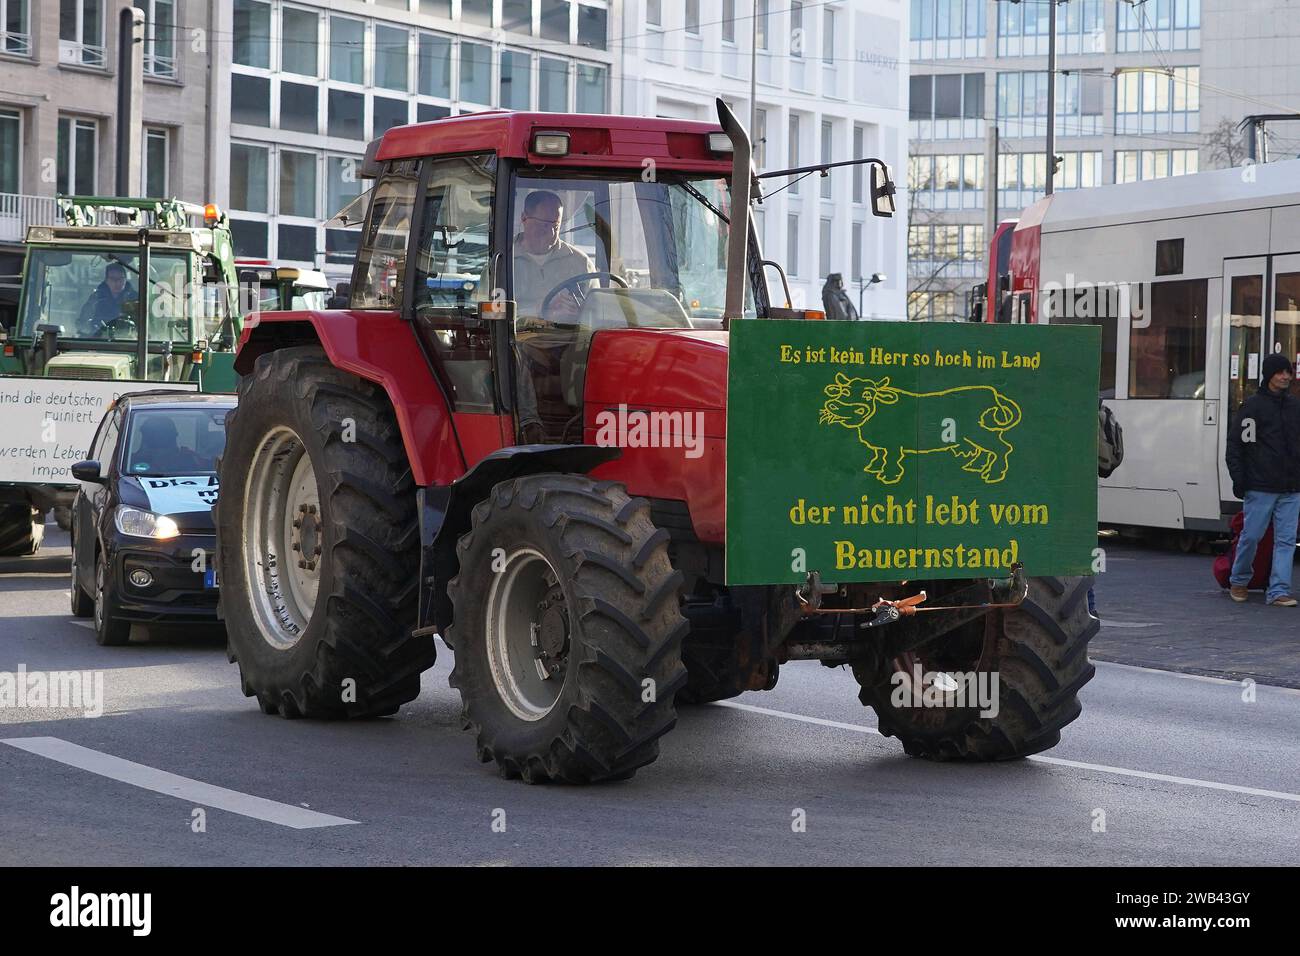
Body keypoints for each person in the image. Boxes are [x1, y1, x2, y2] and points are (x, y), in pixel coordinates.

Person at [1225, 352, 1300, 606]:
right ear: (1269, 375)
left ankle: (1279, 590)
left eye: (1288, 372)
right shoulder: (1253, 406)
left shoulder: (1295, 406)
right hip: (1260, 486)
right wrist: (1240, 480)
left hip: (1292, 486)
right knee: (1252, 535)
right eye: (1280, 372)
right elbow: (1236, 445)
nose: (1285, 377)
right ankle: (1239, 579)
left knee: (1287, 540)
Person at [512, 190, 594, 322]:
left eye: (556, 226)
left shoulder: (580, 263)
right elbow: (491, 315)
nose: (550, 234)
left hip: (569, 340)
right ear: (524, 218)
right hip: (515, 340)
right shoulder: (503, 262)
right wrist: (540, 310)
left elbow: (597, 313)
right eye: (543, 225)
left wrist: (578, 312)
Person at [79, 262, 137, 336]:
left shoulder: (134, 298)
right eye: (112, 279)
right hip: (100, 341)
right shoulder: (96, 298)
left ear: (125, 279)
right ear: (106, 280)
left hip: (127, 342)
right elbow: (83, 321)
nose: (117, 282)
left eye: (120, 278)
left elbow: (143, 325)